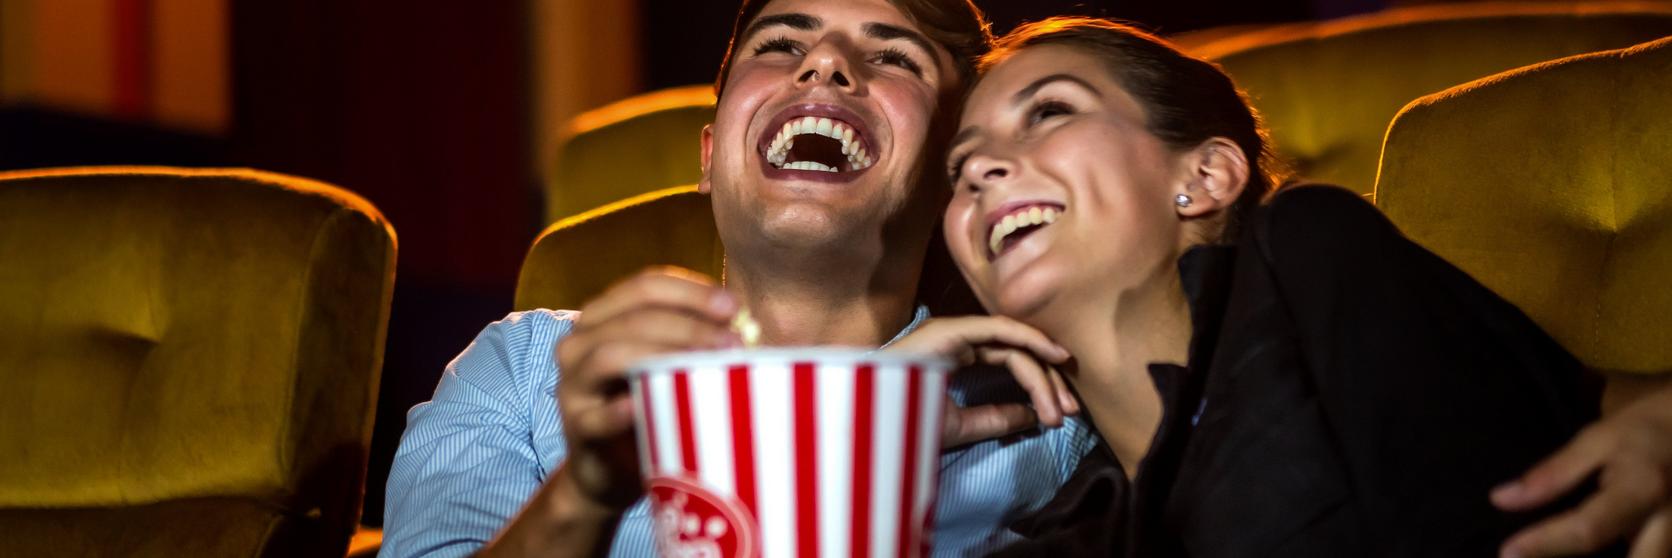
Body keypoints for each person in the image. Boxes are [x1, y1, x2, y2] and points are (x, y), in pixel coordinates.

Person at [380, 2, 1092, 557]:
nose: (824, 64)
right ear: (711, 152)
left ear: (954, 174)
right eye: (781, 44)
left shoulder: (1042, 402)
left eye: (893, 56)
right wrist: (585, 491)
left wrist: (856, 433)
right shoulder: (523, 368)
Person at [928, 16, 1603, 555]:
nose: (981, 167)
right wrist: (858, 418)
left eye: (1049, 111)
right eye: (959, 166)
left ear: (1207, 176)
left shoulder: (1314, 251)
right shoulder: (1070, 521)